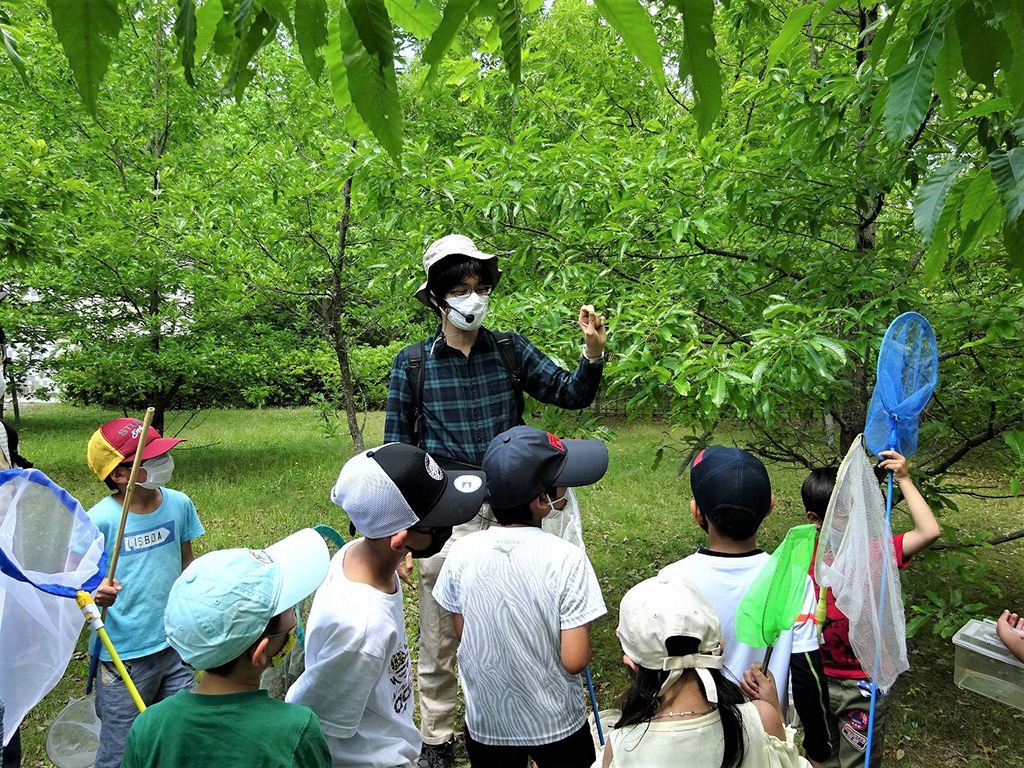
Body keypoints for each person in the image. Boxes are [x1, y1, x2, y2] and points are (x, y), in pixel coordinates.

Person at [384, 233, 608, 768]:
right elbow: (399, 450)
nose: (473, 298)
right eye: (460, 288)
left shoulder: (509, 350)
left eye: (480, 287)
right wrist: (401, 537)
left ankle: (534, 718)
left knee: (528, 620)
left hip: (516, 509)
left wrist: (592, 353)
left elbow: (570, 392)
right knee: (441, 636)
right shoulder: (413, 364)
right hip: (446, 518)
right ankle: (437, 737)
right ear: (437, 298)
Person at [287, 443, 487, 768]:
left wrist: (393, 558)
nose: (444, 530)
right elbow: (312, 716)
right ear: (399, 539)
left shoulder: (355, 553)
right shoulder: (363, 629)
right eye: (436, 523)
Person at [432, 425, 608, 768]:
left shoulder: (461, 553)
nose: (566, 490)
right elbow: (574, 660)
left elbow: (463, 633)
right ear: (542, 501)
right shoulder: (568, 559)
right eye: (561, 484)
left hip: (487, 726)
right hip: (557, 725)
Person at [659, 446, 832, 767]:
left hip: (690, 739)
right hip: (765, 737)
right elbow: (808, 674)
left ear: (697, 512)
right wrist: (820, 751)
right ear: (769, 508)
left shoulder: (670, 580)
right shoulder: (791, 579)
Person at [121, 529, 332, 768]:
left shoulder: (149, 728)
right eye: (290, 611)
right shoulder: (296, 732)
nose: (295, 618)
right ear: (260, 653)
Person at [798, 452, 940, 768]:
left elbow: (929, 531)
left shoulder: (875, 551)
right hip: (818, 678)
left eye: (855, 509)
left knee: (856, 761)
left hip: (862, 682)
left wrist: (903, 479)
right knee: (820, 758)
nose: (854, 519)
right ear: (814, 519)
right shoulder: (802, 557)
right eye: (842, 514)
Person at [85, 417, 205, 768]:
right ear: (120, 475)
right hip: (123, 656)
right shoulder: (99, 521)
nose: (163, 462)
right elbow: (85, 587)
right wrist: (97, 595)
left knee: (181, 731)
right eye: (151, 457)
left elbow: (186, 565)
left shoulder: (179, 504)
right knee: (121, 748)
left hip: (175, 643)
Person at [601, 575, 812, 768]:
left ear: (632, 665)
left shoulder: (621, 748)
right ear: (720, 648)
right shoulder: (761, 719)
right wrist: (772, 707)